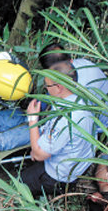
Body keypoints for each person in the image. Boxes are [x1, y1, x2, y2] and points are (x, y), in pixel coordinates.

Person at [22, 62, 95, 197]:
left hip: (59, 176)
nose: (46, 89)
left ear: (59, 87)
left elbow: (39, 155)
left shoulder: (65, 118)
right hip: (78, 163)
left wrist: (32, 118)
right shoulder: (82, 99)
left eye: (47, 86)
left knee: (20, 183)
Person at [39, 42, 108, 128]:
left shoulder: (75, 92)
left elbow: (53, 126)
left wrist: (33, 121)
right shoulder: (82, 63)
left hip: (101, 125)